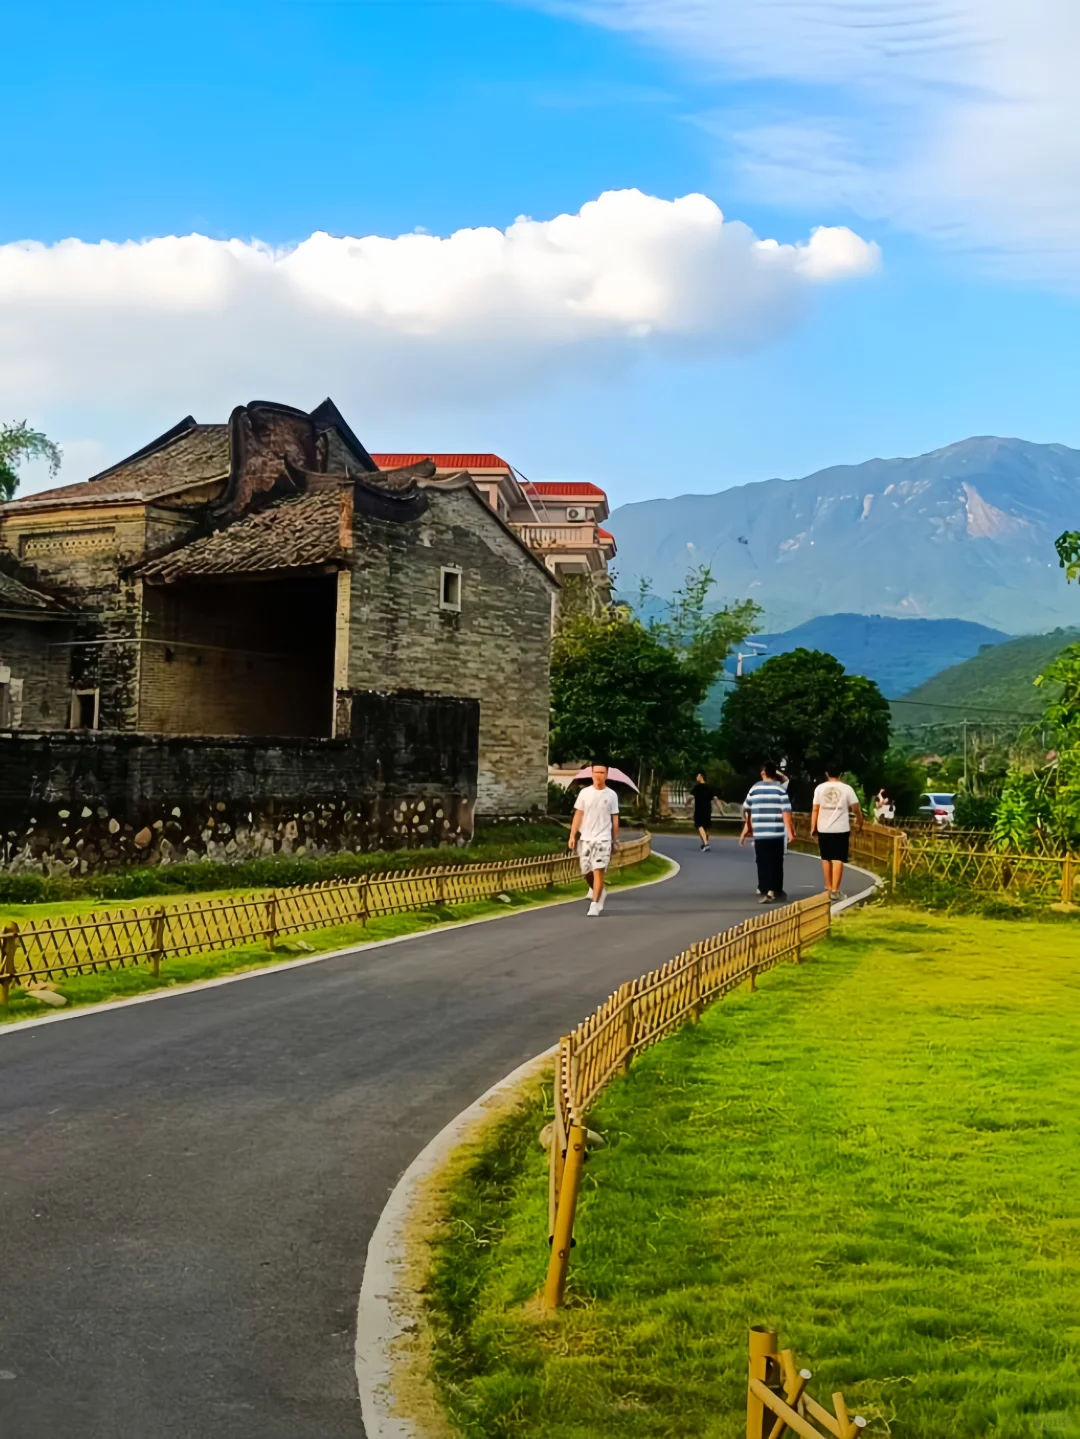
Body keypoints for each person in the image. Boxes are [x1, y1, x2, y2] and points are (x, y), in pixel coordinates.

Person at [568, 762, 620, 916]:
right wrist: (572, 835)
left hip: (603, 838)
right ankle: (599, 890)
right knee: (586, 871)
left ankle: (595, 903)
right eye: (596, 772)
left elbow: (615, 818)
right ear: (591, 774)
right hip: (586, 838)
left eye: (602, 773)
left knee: (598, 870)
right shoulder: (584, 793)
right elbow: (578, 814)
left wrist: (615, 839)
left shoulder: (611, 795)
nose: (598, 775)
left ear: (606, 775)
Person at [739, 761, 795, 903]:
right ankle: (776, 891)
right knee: (776, 862)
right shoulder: (780, 790)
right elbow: (786, 813)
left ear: (763, 773)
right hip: (776, 833)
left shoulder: (754, 789)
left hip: (760, 833)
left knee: (762, 862)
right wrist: (790, 832)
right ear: (774, 773)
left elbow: (748, 810)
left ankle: (765, 891)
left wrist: (747, 829)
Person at [812, 765, 863, 899]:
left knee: (826, 858)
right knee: (838, 858)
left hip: (823, 828)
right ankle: (835, 890)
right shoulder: (847, 789)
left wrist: (813, 827)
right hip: (841, 829)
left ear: (826, 773)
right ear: (841, 774)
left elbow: (815, 809)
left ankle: (828, 888)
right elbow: (856, 808)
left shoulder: (819, 788)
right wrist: (860, 820)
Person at [691, 771, 714, 850]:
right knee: (704, 827)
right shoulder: (709, 787)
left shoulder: (697, 788)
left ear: (701, 776)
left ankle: (706, 843)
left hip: (699, 809)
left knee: (699, 825)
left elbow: (690, 797)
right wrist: (721, 810)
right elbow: (715, 798)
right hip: (707, 809)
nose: (696, 778)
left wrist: (686, 804)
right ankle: (704, 842)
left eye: (697, 776)